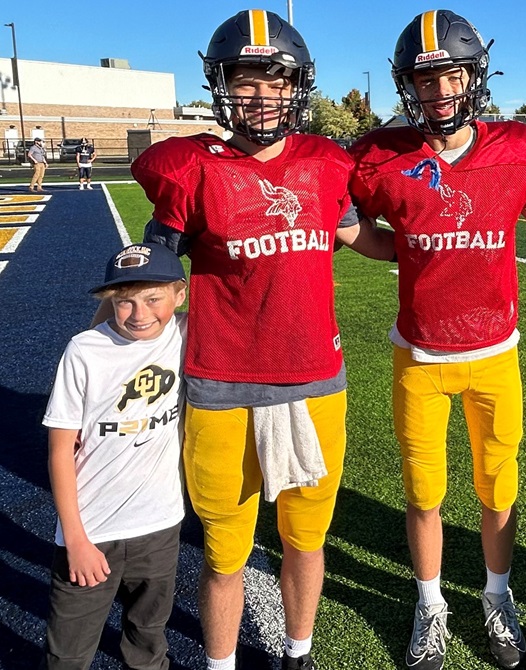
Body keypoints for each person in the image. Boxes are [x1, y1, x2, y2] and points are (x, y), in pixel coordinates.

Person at [127, 10, 394, 670]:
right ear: (222, 87)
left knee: (305, 538)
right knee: (225, 550)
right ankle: (221, 665)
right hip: (221, 382)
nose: (260, 96)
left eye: (274, 81)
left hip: (312, 380)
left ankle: (297, 654)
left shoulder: (328, 165)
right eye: (245, 82)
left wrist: (444, 255)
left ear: (295, 86)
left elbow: (365, 239)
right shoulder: (192, 167)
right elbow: (156, 271)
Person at [348, 10, 526, 670]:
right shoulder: (381, 157)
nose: (438, 93)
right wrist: (394, 248)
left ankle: (496, 597)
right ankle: (430, 605)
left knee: (496, 490)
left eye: (449, 76)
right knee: (424, 494)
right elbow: (363, 231)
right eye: (424, 81)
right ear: (408, 87)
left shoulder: (516, 151)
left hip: (492, 356)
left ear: (473, 77)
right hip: (419, 356)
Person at [42, 242, 188, 669]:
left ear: (180, 295)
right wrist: (76, 539)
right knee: (68, 650)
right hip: (92, 529)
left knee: (148, 639)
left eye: (153, 299)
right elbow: (59, 451)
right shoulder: (85, 351)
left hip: (160, 526)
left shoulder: (184, 333)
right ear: (110, 302)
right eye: (125, 302)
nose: (140, 314)